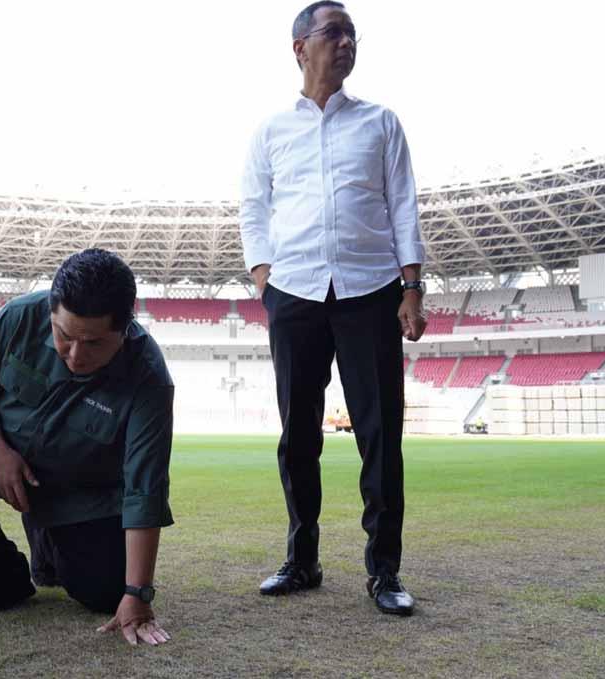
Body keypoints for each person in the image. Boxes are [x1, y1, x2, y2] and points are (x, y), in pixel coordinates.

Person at [239, 1, 428, 616]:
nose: (346, 43)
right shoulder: (271, 130)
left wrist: (412, 285)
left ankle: (385, 571)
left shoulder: (381, 122)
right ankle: (303, 560)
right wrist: (263, 276)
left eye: (352, 34)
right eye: (333, 33)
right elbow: (253, 208)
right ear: (300, 47)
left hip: (369, 291)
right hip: (293, 292)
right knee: (297, 436)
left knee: (380, 436)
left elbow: (403, 205)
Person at [0, 249, 173, 646]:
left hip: (83, 493)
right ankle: (0, 571)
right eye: (63, 335)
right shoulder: (21, 315)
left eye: (94, 343)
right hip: (6, 455)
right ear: (51, 311)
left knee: (103, 593)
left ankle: (50, 538)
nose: (75, 355)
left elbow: (144, 488)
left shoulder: (148, 378)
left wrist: (137, 594)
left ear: (125, 327)